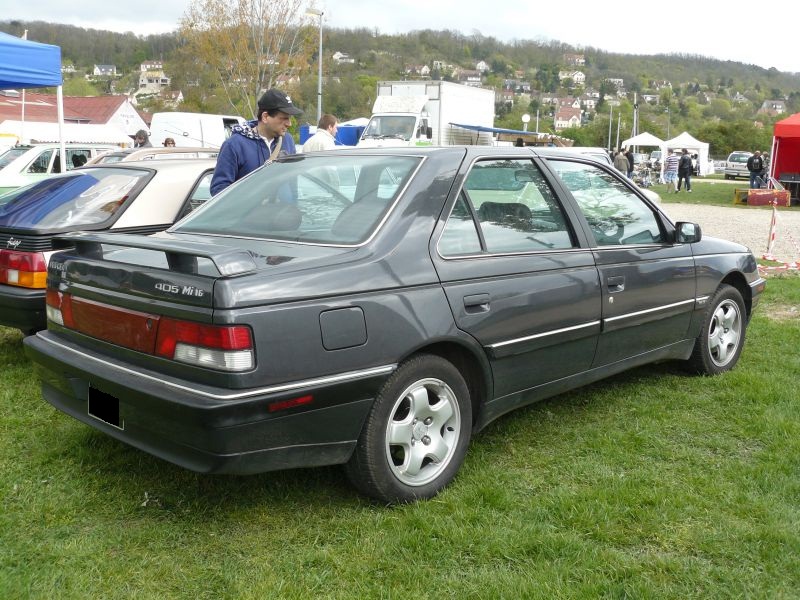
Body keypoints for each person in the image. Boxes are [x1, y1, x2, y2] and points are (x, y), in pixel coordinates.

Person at [210, 88, 302, 196]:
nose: (289, 123)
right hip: (247, 213)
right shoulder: (234, 145)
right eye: (284, 118)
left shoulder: (288, 141)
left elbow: (292, 184)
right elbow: (219, 190)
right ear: (265, 117)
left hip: (282, 212)